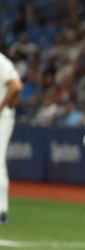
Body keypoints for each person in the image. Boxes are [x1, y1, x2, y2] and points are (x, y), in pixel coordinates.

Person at [0, 52, 22, 225]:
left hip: (2, 118)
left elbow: (16, 85)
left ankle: (1, 211)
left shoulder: (1, 60)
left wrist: (1, 107)